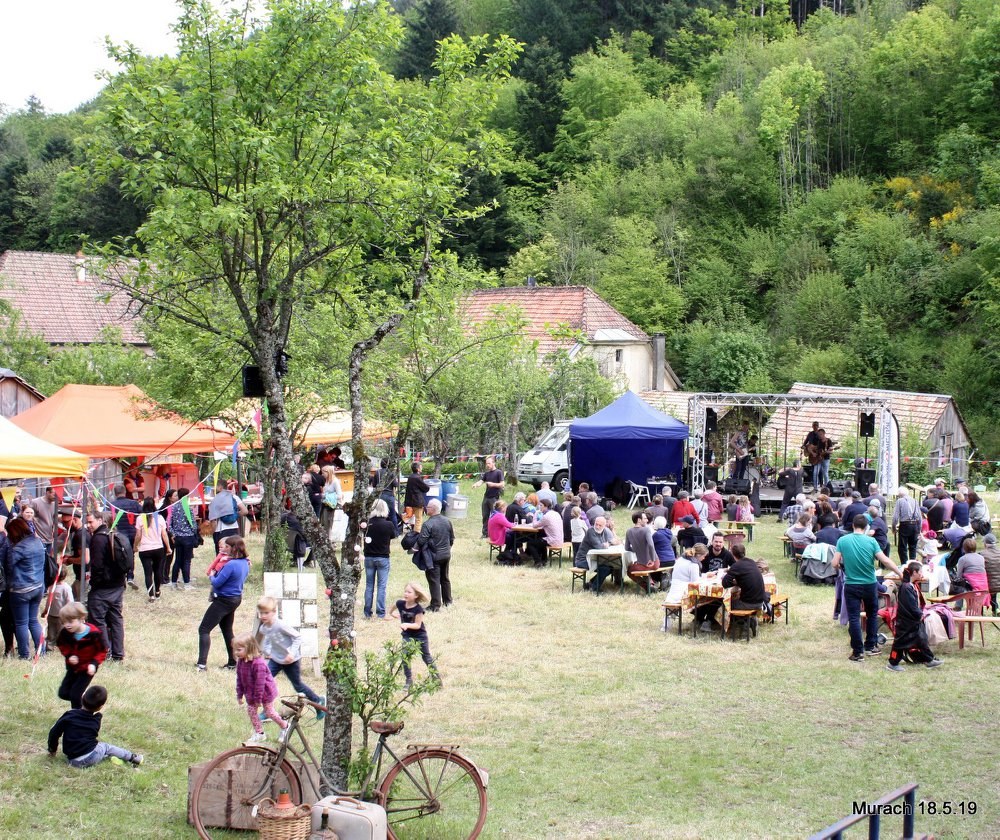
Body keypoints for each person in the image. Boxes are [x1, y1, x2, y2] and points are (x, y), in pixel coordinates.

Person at [832, 514, 902, 661]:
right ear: (866, 527)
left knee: (854, 617)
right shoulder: (871, 541)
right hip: (870, 584)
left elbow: (834, 563)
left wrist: (841, 567)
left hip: (851, 585)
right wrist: (899, 573)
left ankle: (858, 652)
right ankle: (871, 646)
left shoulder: (842, 540)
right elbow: (885, 560)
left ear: (853, 525)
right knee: (872, 615)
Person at [255, 597, 325, 718]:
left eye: (266, 613)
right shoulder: (263, 628)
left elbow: (297, 637)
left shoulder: (280, 625)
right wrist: (267, 651)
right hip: (276, 660)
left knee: (298, 686)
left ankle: (318, 701)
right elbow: (267, 641)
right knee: (264, 680)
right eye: (261, 613)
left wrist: (291, 653)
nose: (263, 616)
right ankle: (267, 710)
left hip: (291, 661)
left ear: (274, 612)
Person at [48, 685, 143, 768]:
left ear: (82, 696)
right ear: (101, 706)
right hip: (91, 758)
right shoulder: (96, 720)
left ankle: (107, 756)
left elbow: (54, 733)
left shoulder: (69, 716)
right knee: (106, 747)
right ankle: (133, 758)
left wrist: (52, 750)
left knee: (98, 748)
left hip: (72, 760)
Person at [196, 535, 250, 672]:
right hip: (235, 598)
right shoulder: (245, 562)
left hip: (223, 600)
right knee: (227, 630)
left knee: (204, 629)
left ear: (234, 548)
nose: (224, 548)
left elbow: (217, 582)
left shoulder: (231, 564)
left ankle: (201, 664)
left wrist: (211, 575)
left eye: (227, 546)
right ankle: (233, 663)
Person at [85, 511, 126, 662]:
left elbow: (96, 565)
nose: (88, 526)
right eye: (87, 522)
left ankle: (105, 651)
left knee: (97, 619)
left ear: (100, 520)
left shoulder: (98, 538)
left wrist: (95, 583)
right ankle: (118, 653)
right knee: (116, 620)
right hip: (118, 584)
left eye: (91, 522)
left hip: (103, 587)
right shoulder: (115, 534)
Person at [234, 632, 290, 743]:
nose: (236, 652)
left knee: (269, 712)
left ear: (249, 648)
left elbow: (260, 683)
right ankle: (259, 733)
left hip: (265, 693)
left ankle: (285, 726)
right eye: (235, 650)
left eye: (239, 650)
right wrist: (239, 695)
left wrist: (258, 700)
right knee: (251, 711)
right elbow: (239, 679)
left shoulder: (258, 663)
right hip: (251, 693)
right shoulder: (241, 662)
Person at [3, 517, 47, 659]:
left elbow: (8, 568)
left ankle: (24, 654)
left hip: (21, 590)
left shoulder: (17, 548)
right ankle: (42, 651)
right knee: (33, 621)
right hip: (38, 587)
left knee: (21, 623)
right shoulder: (38, 542)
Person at [886, 562, 942, 671]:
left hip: (912, 620)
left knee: (922, 639)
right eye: (920, 572)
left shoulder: (911, 585)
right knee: (899, 644)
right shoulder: (906, 587)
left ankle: (929, 660)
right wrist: (919, 614)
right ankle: (892, 663)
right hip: (906, 621)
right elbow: (911, 605)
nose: (922, 574)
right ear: (914, 572)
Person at [55, 602, 107, 708]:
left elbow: (102, 650)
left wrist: (94, 663)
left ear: (81, 618)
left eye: (70, 621)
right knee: (63, 693)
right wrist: (69, 655)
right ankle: (85, 698)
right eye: (64, 622)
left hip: (87, 669)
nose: (67, 625)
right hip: (73, 668)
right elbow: (62, 645)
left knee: (75, 695)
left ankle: (78, 714)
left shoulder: (94, 634)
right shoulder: (65, 633)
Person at [389, 581, 439, 689]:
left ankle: (437, 680)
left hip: (420, 636)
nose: (406, 594)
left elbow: (417, 625)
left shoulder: (418, 609)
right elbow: (392, 608)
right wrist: (392, 614)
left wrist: (406, 624)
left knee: (426, 657)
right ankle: (408, 680)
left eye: (409, 592)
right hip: (407, 635)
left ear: (416, 595)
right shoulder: (400, 603)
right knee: (405, 656)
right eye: (405, 591)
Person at [415, 499, 454, 610]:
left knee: (434, 580)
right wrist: (447, 548)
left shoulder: (428, 524)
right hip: (446, 554)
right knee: (445, 578)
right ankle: (448, 601)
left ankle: (435, 605)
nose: (426, 509)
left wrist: (413, 547)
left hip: (433, 556)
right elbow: (451, 538)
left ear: (432, 509)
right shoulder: (447, 521)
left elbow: (421, 541)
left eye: (427, 507)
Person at [362, 499, 397, 619]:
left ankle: (367, 611)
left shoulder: (367, 524)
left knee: (369, 585)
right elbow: (393, 535)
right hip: (383, 557)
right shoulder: (388, 524)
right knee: (381, 586)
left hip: (369, 557)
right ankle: (380, 612)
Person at [134, 497, 170, 602]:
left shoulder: (140, 518)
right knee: (157, 570)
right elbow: (164, 534)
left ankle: (151, 595)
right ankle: (157, 591)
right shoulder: (159, 518)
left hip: (145, 549)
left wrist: (135, 546)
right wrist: (168, 547)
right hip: (158, 548)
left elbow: (138, 535)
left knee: (148, 572)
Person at [573, 516, 620, 592]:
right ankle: (595, 589)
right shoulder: (591, 531)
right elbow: (599, 546)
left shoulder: (605, 531)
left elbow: (615, 541)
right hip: (583, 560)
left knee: (611, 567)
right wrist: (607, 544)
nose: (597, 527)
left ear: (604, 526)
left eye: (600, 525)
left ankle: (591, 584)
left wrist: (610, 542)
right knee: (605, 568)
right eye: (596, 524)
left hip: (595, 558)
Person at [110, 483, 141, 590]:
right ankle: (130, 576)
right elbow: (142, 514)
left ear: (115, 493)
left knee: (118, 556)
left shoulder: (111, 505)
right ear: (125, 492)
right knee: (131, 555)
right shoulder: (134, 504)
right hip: (132, 533)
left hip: (118, 534)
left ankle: (121, 578)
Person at [168, 488, 200, 590]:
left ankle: (173, 582)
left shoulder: (173, 507)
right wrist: (194, 533)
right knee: (186, 561)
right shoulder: (187, 508)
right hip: (188, 537)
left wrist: (174, 534)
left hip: (178, 537)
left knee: (178, 560)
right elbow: (193, 525)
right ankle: (186, 583)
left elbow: (169, 524)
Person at [208, 481, 247, 553]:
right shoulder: (234, 496)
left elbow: (214, 521)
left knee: (222, 555)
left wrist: (213, 532)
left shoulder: (215, 499)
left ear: (220, 487)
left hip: (220, 531)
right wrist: (235, 515)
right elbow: (245, 511)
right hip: (234, 529)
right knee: (234, 553)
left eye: (216, 486)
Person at [42, 565, 74, 649]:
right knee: (53, 631)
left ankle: (56, 644)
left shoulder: (63, 588)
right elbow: (70, 602)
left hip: (59, 615)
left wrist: (46, 610)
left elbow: (48, 602)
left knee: (57, 631)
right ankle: (51, 645)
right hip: (54, 615)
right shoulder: (54, 587)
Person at [472, 456, 505, 538]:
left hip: (494, 498)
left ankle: (495, 533)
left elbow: (502, 484)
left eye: (489, 463)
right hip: (486, 497)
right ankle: (485, 533)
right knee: (485, 516)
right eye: (486, 464)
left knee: (495, 516)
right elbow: (481, 481)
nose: (487, 465)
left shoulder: (498, 472)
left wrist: (493, 484)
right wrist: (476, 484)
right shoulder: (487, 473)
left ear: (493, 463)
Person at [625, 510, 659, 588]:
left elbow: (627, 548)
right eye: (645, 518)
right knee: (642, 569)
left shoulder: (629, 531)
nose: (647, 520)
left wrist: (636, 549)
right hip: (654, 562)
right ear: (639, 520)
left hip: (642, 564)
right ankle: (650, 584)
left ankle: (646, 586)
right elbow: (651, 545)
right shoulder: (646, 530)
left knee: (629, 571)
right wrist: (652, 559)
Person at [891, 487, 923, 564]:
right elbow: (919, 516)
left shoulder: (899, 501)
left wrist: (893, 527)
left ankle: (904, 564)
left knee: (902, 547)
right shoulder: (915, 501)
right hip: (915, 525)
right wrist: (919, 529)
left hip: (905, 525)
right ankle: (912, 563)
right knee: (913, 546)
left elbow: (895, 516)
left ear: (899, 494)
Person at [29, 485, 58, 561]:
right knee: (39, 560)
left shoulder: (55, 504)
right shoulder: (36, 502)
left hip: (49, 537)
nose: (55, 496)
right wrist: (34, 533)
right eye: (54, 494)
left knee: (47, 561)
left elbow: (54, 518)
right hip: (39, 538)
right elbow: (29, 518)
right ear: (47, 492)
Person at [403, 463, 430, 531]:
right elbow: (426, 488)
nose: (422, 468)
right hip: (417, 501)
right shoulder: (417, 478)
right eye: (421, 467)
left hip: (410, 501)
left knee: (410, 516)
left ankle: (408, 529)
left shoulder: (410, 477)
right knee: (418, 519)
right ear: (418, 469)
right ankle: (416, 533)